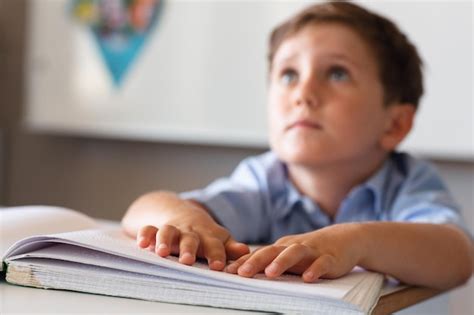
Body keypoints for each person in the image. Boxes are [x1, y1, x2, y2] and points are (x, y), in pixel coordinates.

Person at [122, 1, 473, 290]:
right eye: (289, 75)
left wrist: (356, 241)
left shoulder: (407, 181)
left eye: (337, 73)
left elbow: (457, 256)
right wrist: (184, 219)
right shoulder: (265, 180)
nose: (303, 94)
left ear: (394, 124)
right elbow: (141, 210)